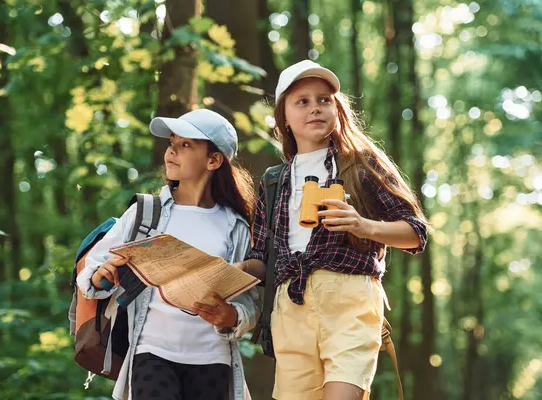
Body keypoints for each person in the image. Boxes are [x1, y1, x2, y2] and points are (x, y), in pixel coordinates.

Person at [237, 60, 429, 400]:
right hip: (289, 310)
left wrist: (362, 225)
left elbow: (416, 232)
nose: (315, 108)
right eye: (303, 101)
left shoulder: (361, 163)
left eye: (324, 100)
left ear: (337, 109)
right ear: (284, 117)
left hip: (349, 301)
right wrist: (232, 272)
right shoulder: (273, 180)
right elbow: (260, 257)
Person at [77, 108, 259, 400]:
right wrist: (102, 276)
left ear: (214, 160)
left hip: (213, 360)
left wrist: (232, 316)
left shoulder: (234, 225)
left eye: (185, 145)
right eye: (171, 142)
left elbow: (250, 304)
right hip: (152, 354)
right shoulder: (146, 212)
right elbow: (92, 269)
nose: (171, 151)